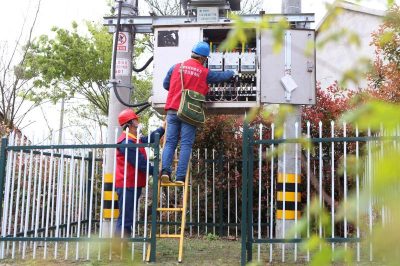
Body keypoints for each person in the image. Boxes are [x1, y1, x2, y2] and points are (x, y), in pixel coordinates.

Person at [161, 41, 235, 184]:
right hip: (189, 112)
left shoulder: (176, 67)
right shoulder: (204, 71)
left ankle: (165, 171)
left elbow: (166, 85)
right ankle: (180, 177)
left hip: (172, 110)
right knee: (186, 144)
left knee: (170, 142)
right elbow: (220, 77)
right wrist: (233, 72)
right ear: (203, 58)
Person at [115, 108, 165, 237]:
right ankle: (119, 247)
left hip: (133, 184)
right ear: (130, 123)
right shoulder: (126, 142)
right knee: (126, 216)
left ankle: (121, 245)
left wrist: (162, 129)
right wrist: (156, 171)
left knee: (128, 215)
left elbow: (149, 139)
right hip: (127, 185)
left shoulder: (133, 139)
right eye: (136, 120)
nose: (138, 122)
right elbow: (141, 163)